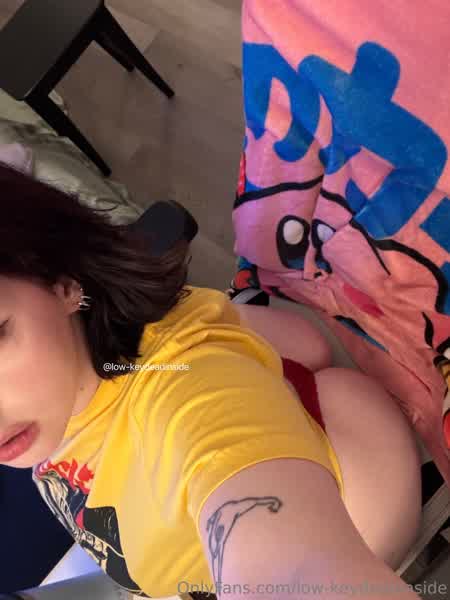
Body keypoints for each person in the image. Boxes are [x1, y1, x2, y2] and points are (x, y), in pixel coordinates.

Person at [0, 162, 422, 600]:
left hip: (351, 495)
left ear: (63, 284)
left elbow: (295, 570)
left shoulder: (181, 392)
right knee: (292, 342)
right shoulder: (46, 406)